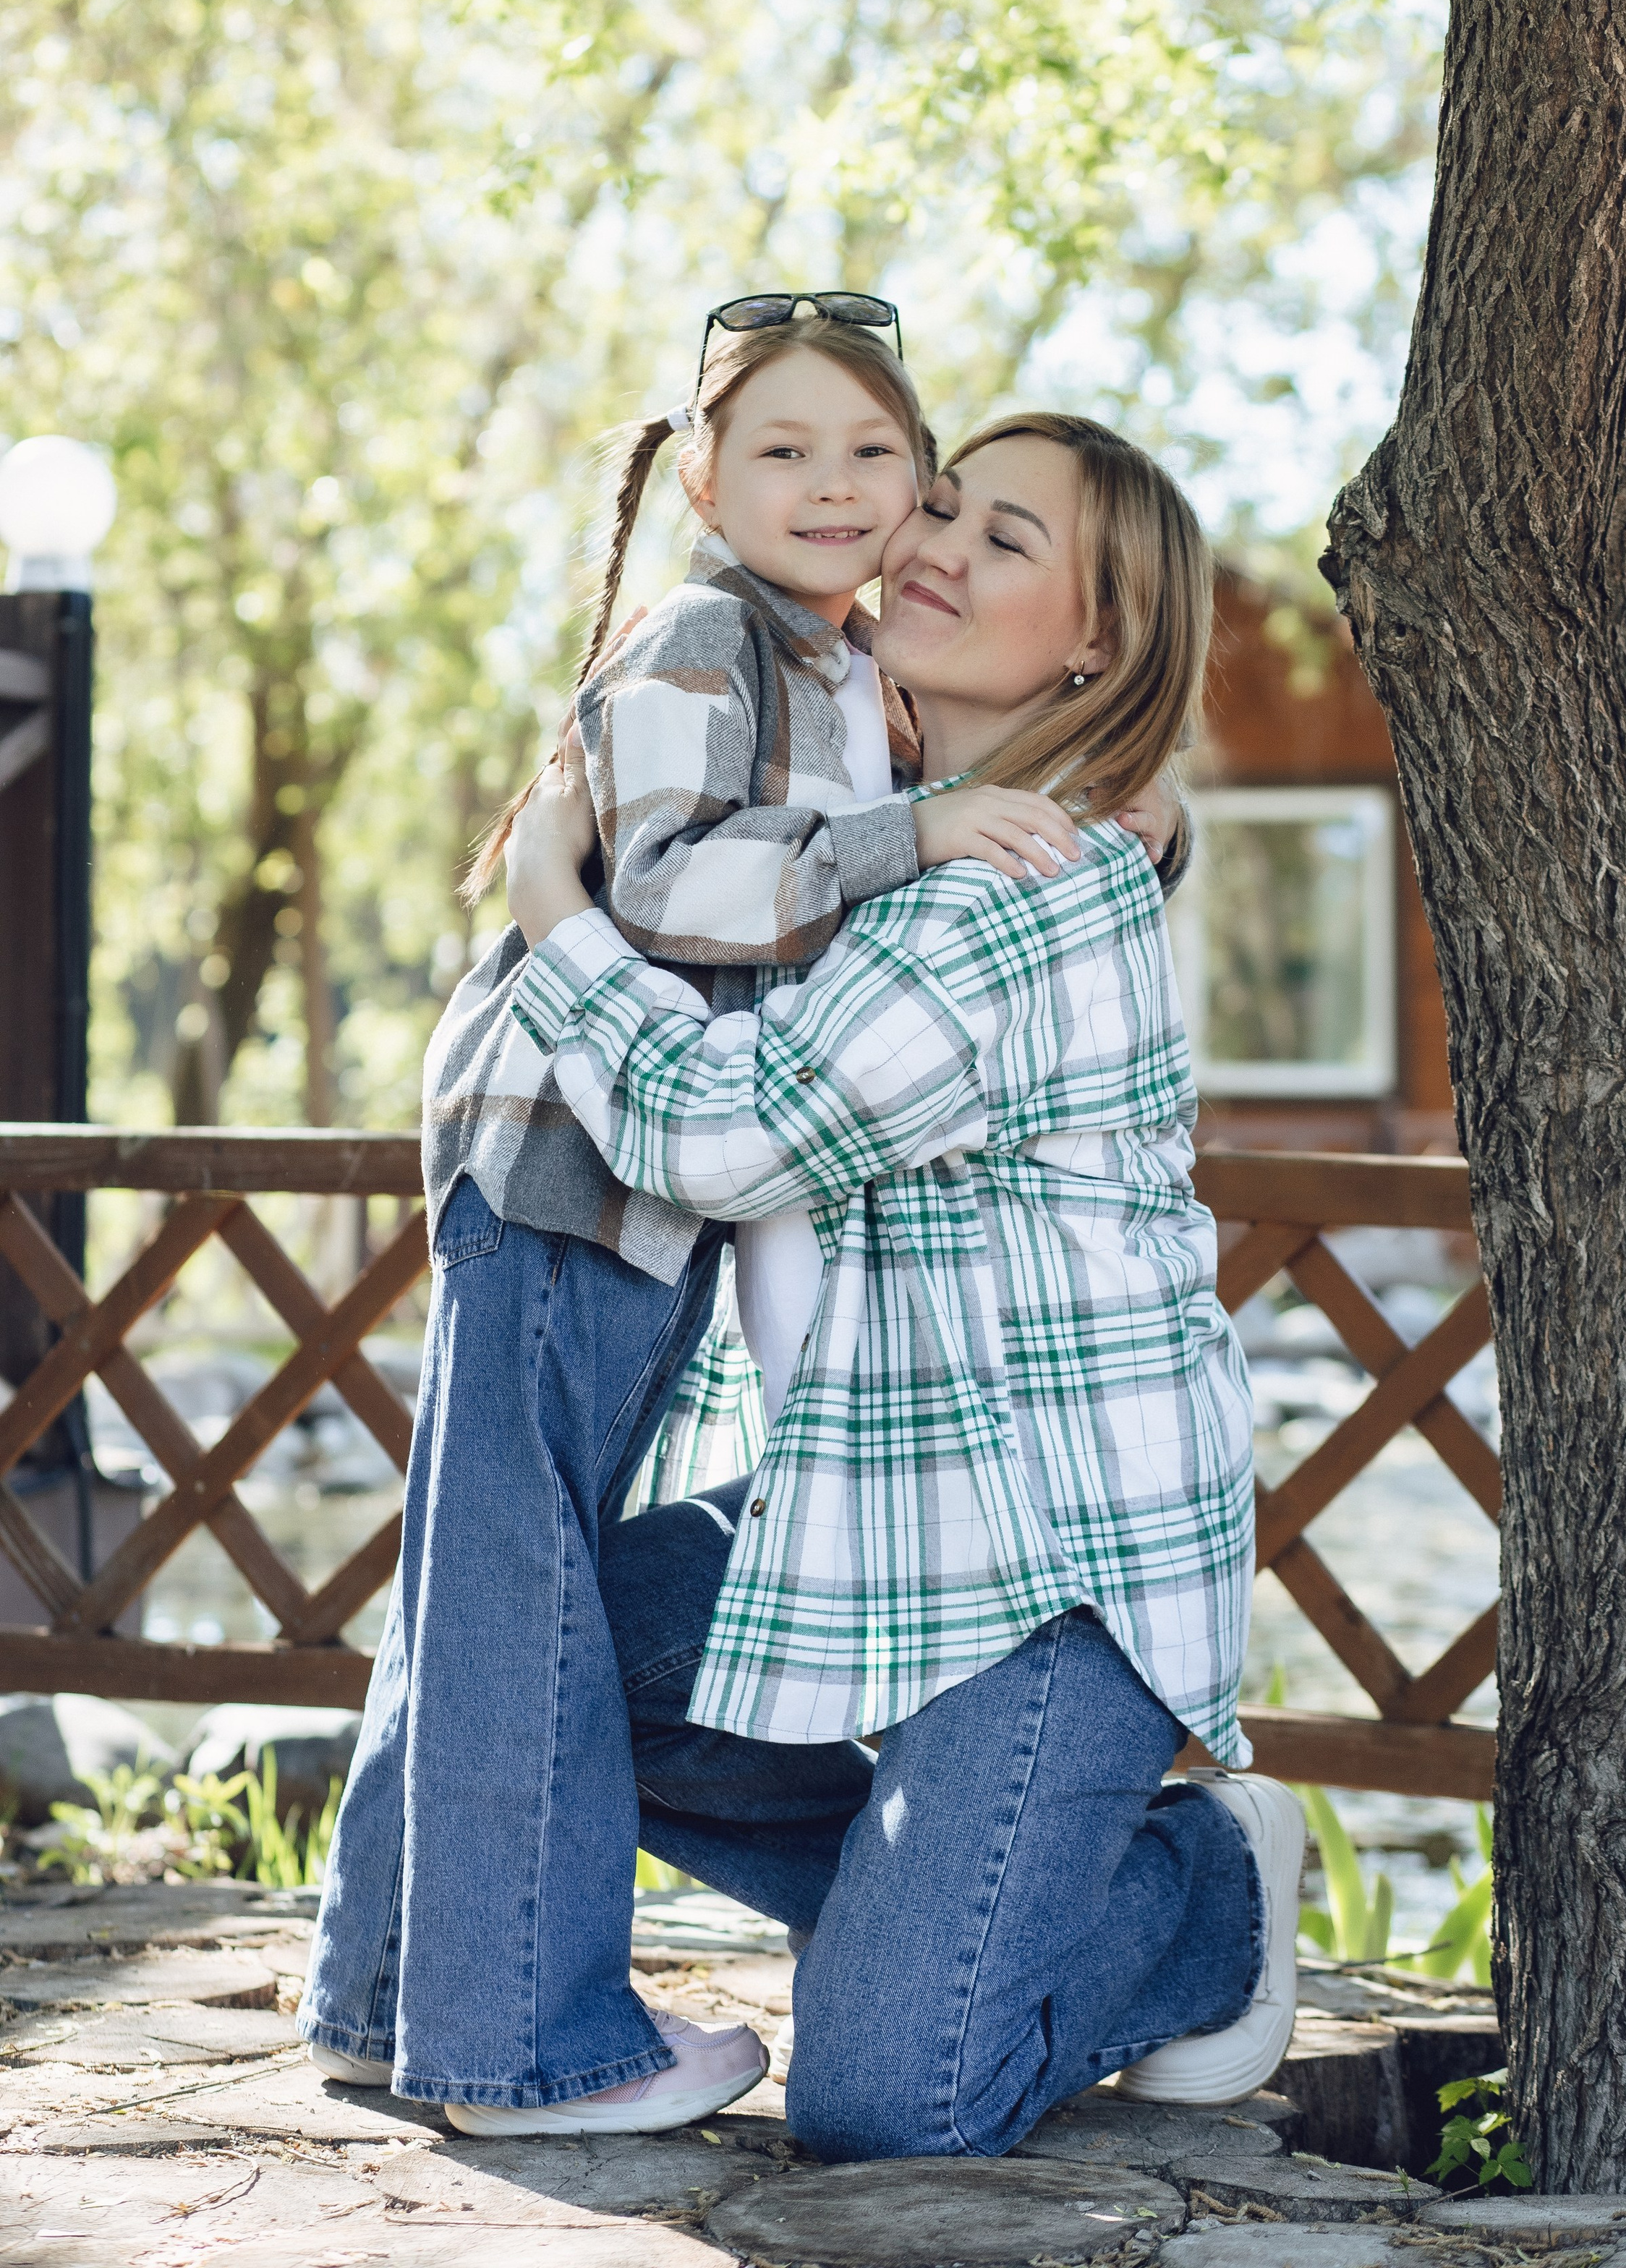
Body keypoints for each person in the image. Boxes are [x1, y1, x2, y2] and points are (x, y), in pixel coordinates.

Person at [298, 303, 1167, 2130]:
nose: (882, 515)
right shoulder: (747, 658)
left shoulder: (939, 765)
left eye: (906, 477)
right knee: (510, 1591)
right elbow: (709, 877)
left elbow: (746, 1088)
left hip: (981, 1510)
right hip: (597, 1209)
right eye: (795, 456)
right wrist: (887, 842)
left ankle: (403, 1996)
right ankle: (488, 2026)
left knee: (498, 1591)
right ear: (702, 478)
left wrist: (561, 904)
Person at [487, 412, 1303, 2159]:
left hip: (1049, 1567)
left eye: (1004, 540)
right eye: (939, 504)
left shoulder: (1018, 885)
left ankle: (1200, 1885)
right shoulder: (901, 824)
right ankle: (928, 1916)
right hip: (873, 1517)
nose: (930, 543)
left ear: (1097, 637)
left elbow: (716, 1138)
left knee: (891, 2100)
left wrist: (557, 909)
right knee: (556, 1655)